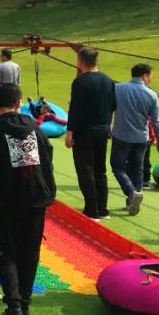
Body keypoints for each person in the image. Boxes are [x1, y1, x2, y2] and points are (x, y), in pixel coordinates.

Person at [0, 83, 56, 315]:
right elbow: (48, 157)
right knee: (30, 250)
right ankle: (24, 305)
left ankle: (15, 307)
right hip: (37, 198)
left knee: (7, 250)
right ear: (19, 103)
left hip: (8, 199)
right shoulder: (34, 129)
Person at [65, 47, 117, 220]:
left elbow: (75, 110)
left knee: (85, 169)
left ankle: (91, 209)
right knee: (100, 169)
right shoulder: (108, 81)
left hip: (85, 131)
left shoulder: (80, 82)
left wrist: (70, 132)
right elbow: (113, 105)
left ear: (80, 62)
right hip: (103, 129)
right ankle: (103, 208)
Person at [111, 64, 159, 216]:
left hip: (121, 135)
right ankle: (133, 200)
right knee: (137, 169)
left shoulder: (118, 88)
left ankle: (131, 193)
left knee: (118, 167)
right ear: (144, 75)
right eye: (151, 76)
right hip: (141, 138)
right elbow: (157, 122)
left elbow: (110, 108)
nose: (151, 79)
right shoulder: (151, 95)